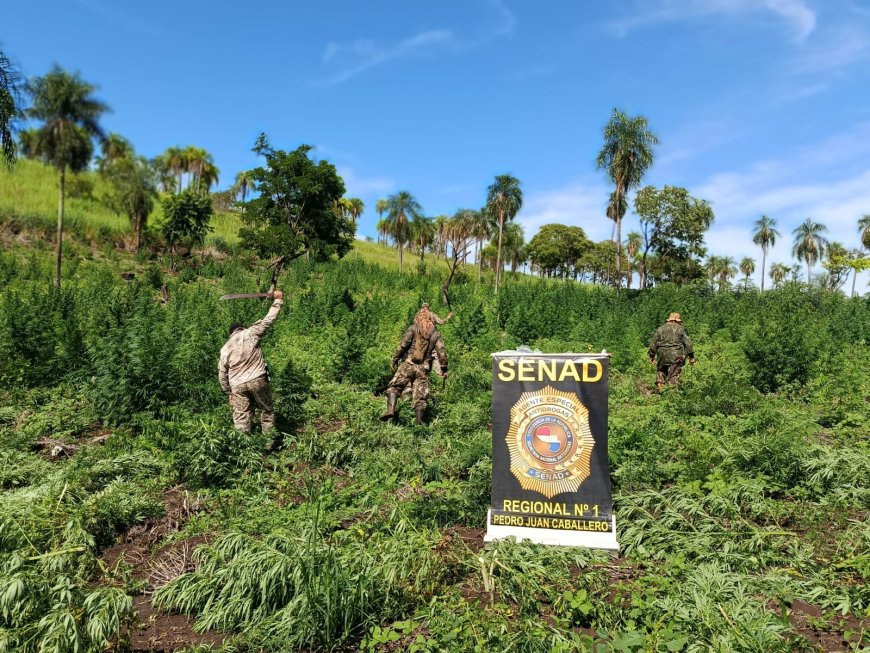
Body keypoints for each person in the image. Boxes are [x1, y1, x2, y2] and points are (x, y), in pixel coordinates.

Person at [219, 290, 284, 433]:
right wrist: (278, 301)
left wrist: (228, 391)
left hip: (237, 385)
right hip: (257, 379)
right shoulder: (250, 333)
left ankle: (244, 446)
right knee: (266, 410)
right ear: (242, 328)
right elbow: (268, 320)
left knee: (241, 416)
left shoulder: (225, 348)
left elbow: (222, 373)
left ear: (231, 333)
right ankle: (268, 443)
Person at [380, 305, 448, 425]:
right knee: (420, 396)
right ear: (431, 318)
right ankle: (419, 423)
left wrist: (395, 359)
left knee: (395, 386)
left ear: (418, 317)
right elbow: (441, 351)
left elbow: (403, 345)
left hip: (408, 364)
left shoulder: (413, 328)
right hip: (424, 368)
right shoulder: (436, 334)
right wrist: (444, 368)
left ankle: (391, 409)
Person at [648, 312, 695, 390]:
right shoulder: (680, 329)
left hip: (662, 355)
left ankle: (661, 389)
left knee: (661, 371)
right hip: (676, 355)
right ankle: (672, 394)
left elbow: (653, 343)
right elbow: (688, 344)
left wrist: (651, 355)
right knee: (674, 374)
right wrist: (691, 357)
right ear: (677, 321)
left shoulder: (660, 329)